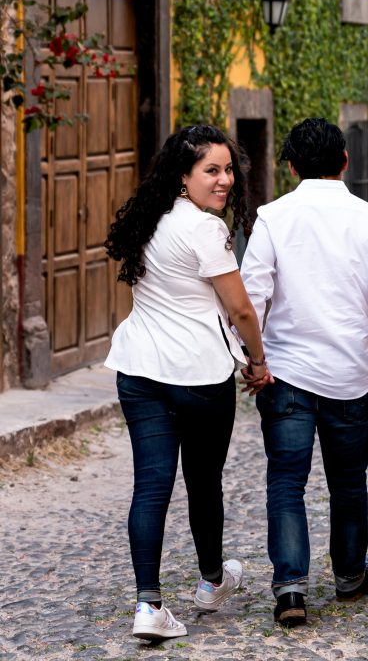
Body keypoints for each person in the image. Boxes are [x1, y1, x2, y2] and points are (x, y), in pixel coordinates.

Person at [104, 124, 272, 643]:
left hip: (139, 371)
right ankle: (211, 582)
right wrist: (258, 360)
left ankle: (148, 604)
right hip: (198, 376)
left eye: (228, 170)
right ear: (184, 176)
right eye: (211, 171)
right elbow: (240, 307)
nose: (224, 181)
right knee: (203, 482)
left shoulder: (149, 219)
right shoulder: (204, 230)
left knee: (150, 485)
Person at [240, 117, 368, 628]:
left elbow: (251, 298)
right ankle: (350, 575)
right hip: (349, 375)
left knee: (286, 482)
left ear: (290, 166)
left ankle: (290, 588)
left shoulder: (271, 217)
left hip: (285, 375)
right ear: (345, 161)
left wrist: (250, 361)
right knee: (348, 481)